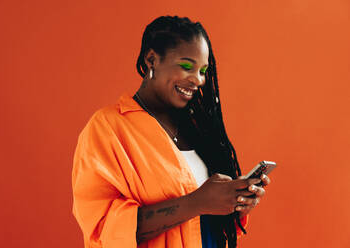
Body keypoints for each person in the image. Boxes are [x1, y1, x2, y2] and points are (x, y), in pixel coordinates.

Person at [72, 16, 271, 248]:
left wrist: (234, 200)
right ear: (152, 60)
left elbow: (204, 221)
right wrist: (197, 202)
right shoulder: (107, 128)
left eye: (203, 71)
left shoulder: (196, 129)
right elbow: (103, 229)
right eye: (186, 66)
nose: (197, 80)